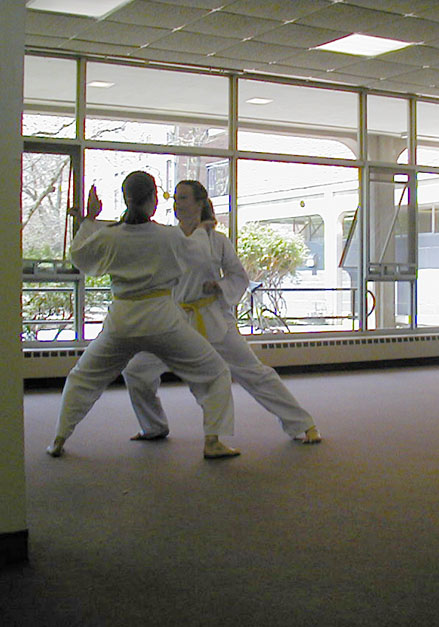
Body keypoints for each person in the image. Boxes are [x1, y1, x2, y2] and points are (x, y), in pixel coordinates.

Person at [47, 171, 240, 460]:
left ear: (126, 199)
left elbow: (80, 256)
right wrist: (202, 227)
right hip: (164, 322)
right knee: (216, 372)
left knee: (82, 378)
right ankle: (212, 440)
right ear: (152, 200)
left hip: (121, 324)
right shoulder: (169, 236)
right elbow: (198, 252)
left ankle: (59, 439)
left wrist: (89, 220)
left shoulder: (111, 236)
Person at [121, 180, 322, 445]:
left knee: (254, 373)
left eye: (183, 198)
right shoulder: (168, 238)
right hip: (175, 321)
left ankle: (302, 423)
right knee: (136, 371)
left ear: (199, 203)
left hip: (213, 318)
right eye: (176, 198)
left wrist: (220, 286)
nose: (177, 203)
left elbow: (239, 276)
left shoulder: (218, 241)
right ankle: (153, 426)